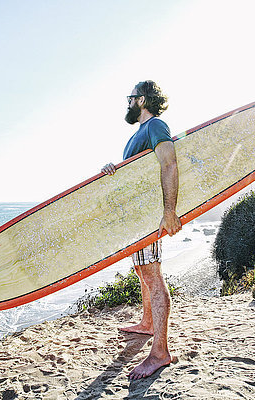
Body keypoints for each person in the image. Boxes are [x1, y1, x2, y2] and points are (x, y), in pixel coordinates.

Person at [101, 80, 182, 380]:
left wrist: (169, 212)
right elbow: (137, 173)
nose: (127, 102)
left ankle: (160, 351)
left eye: (130, 97)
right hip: (135, 219)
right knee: (141, 272)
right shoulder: (138, 134)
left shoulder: (156, 126)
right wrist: (114, 169)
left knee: (152, 275)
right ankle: (148, 323)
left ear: (143, 100)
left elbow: (169, 163)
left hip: (148, 217)